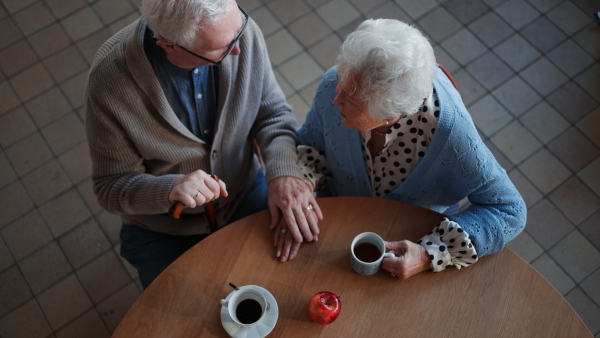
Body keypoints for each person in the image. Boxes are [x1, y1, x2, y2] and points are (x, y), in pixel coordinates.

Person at [84, 0, 321, 289]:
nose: (239, 49)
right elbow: (110, 187)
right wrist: (170, 190)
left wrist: (282, 173)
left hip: (243, 193)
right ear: (168, 44)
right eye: (221, 49)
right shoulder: (109, 84)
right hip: (164, 228)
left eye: (239, 27)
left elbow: (272, 114)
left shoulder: (240, 33)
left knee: (291, 280)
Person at [274, 19, 526, 279]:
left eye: (349, 98)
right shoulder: (336, 85)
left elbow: (509, 211)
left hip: (408, 241)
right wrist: (301, 185)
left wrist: (430, 253)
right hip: (338, 222)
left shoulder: (451, 135)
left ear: (390, 114)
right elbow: (312, 143)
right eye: (340, 81)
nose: (335, 97)